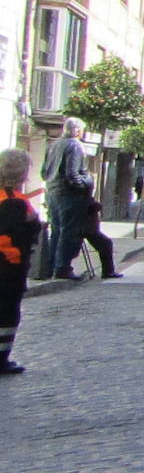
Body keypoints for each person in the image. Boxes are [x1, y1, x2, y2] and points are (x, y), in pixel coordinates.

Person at [0, 149, 42, 374]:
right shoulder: (15, 201)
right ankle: (1, 359)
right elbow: (11, 236)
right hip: (8, 267)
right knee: (7, 313)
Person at [39, 116, 93, 280]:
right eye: (82, 130)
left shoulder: (53, 144)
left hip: (52, 192)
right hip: (68, 195)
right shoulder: (75, 145)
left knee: (56, 231)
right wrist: (85, 185)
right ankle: (62, 268)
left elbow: (44, 172)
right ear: (77, 130)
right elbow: (72, 174)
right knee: (68, 232)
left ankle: (51, 267)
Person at [83, 199, 123, 279]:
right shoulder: (80, 196)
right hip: (86, 229)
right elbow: (96, 206)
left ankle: (108, 271)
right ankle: (108, 271)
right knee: (106, 244)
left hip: (87, 228)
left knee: (106, 243)